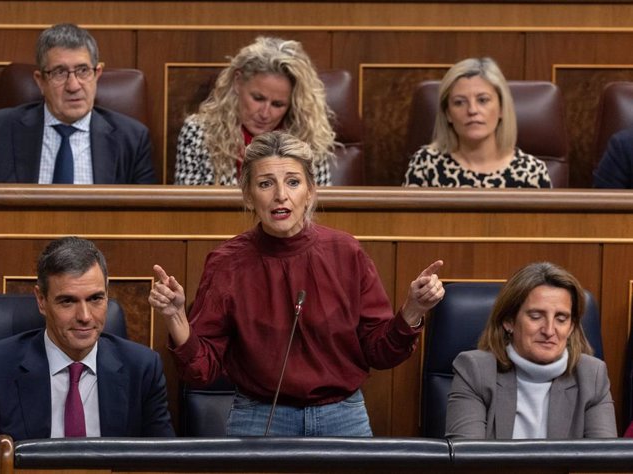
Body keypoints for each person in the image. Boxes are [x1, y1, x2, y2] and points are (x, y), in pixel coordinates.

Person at [151, 131, 444, 436]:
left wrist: (413, 310)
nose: (281, 195)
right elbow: (201, 371)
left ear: (310, 191)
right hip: (260, 416)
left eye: (293, 182)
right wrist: (176, 317)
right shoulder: (227, 263)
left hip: (342, 416)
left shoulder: (345, 252)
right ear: (249, 195)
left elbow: (380, 353)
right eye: (266, 184)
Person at [0, 236, 174, 474]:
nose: (85, 315)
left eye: (95, 298)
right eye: (68, 301)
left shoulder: (143, 367)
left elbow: (164, 466)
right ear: (41, 301)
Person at [0, 23, 156, 242]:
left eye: (83, 70)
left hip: (102, 266)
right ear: (40, 81)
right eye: (59, 73)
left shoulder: (132, 138)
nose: (73, 85)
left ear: (97, 74)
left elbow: (149, 221)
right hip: (17, 262)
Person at [445, 262, 616, 439]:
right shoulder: (476, 371)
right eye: (536, 316)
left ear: (572, 326)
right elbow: (468, 460)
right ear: (509, 321)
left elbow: (603, 463)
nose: (549, 330)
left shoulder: (592, 376)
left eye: (561, 318)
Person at [174, 36, 336, 187]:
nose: (265, 114)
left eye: (278, 104)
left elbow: (319, 209)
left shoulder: (309, 139)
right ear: (238, 82)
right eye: (258, 98)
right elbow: (188, 209)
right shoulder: (199, 132)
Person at [403, 57, 551, 188]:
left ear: (501, 109)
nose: (472, 110)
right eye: (459, 102)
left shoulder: (532, 172)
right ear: (448, 113)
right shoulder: (425, 165)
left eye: (483, 100)